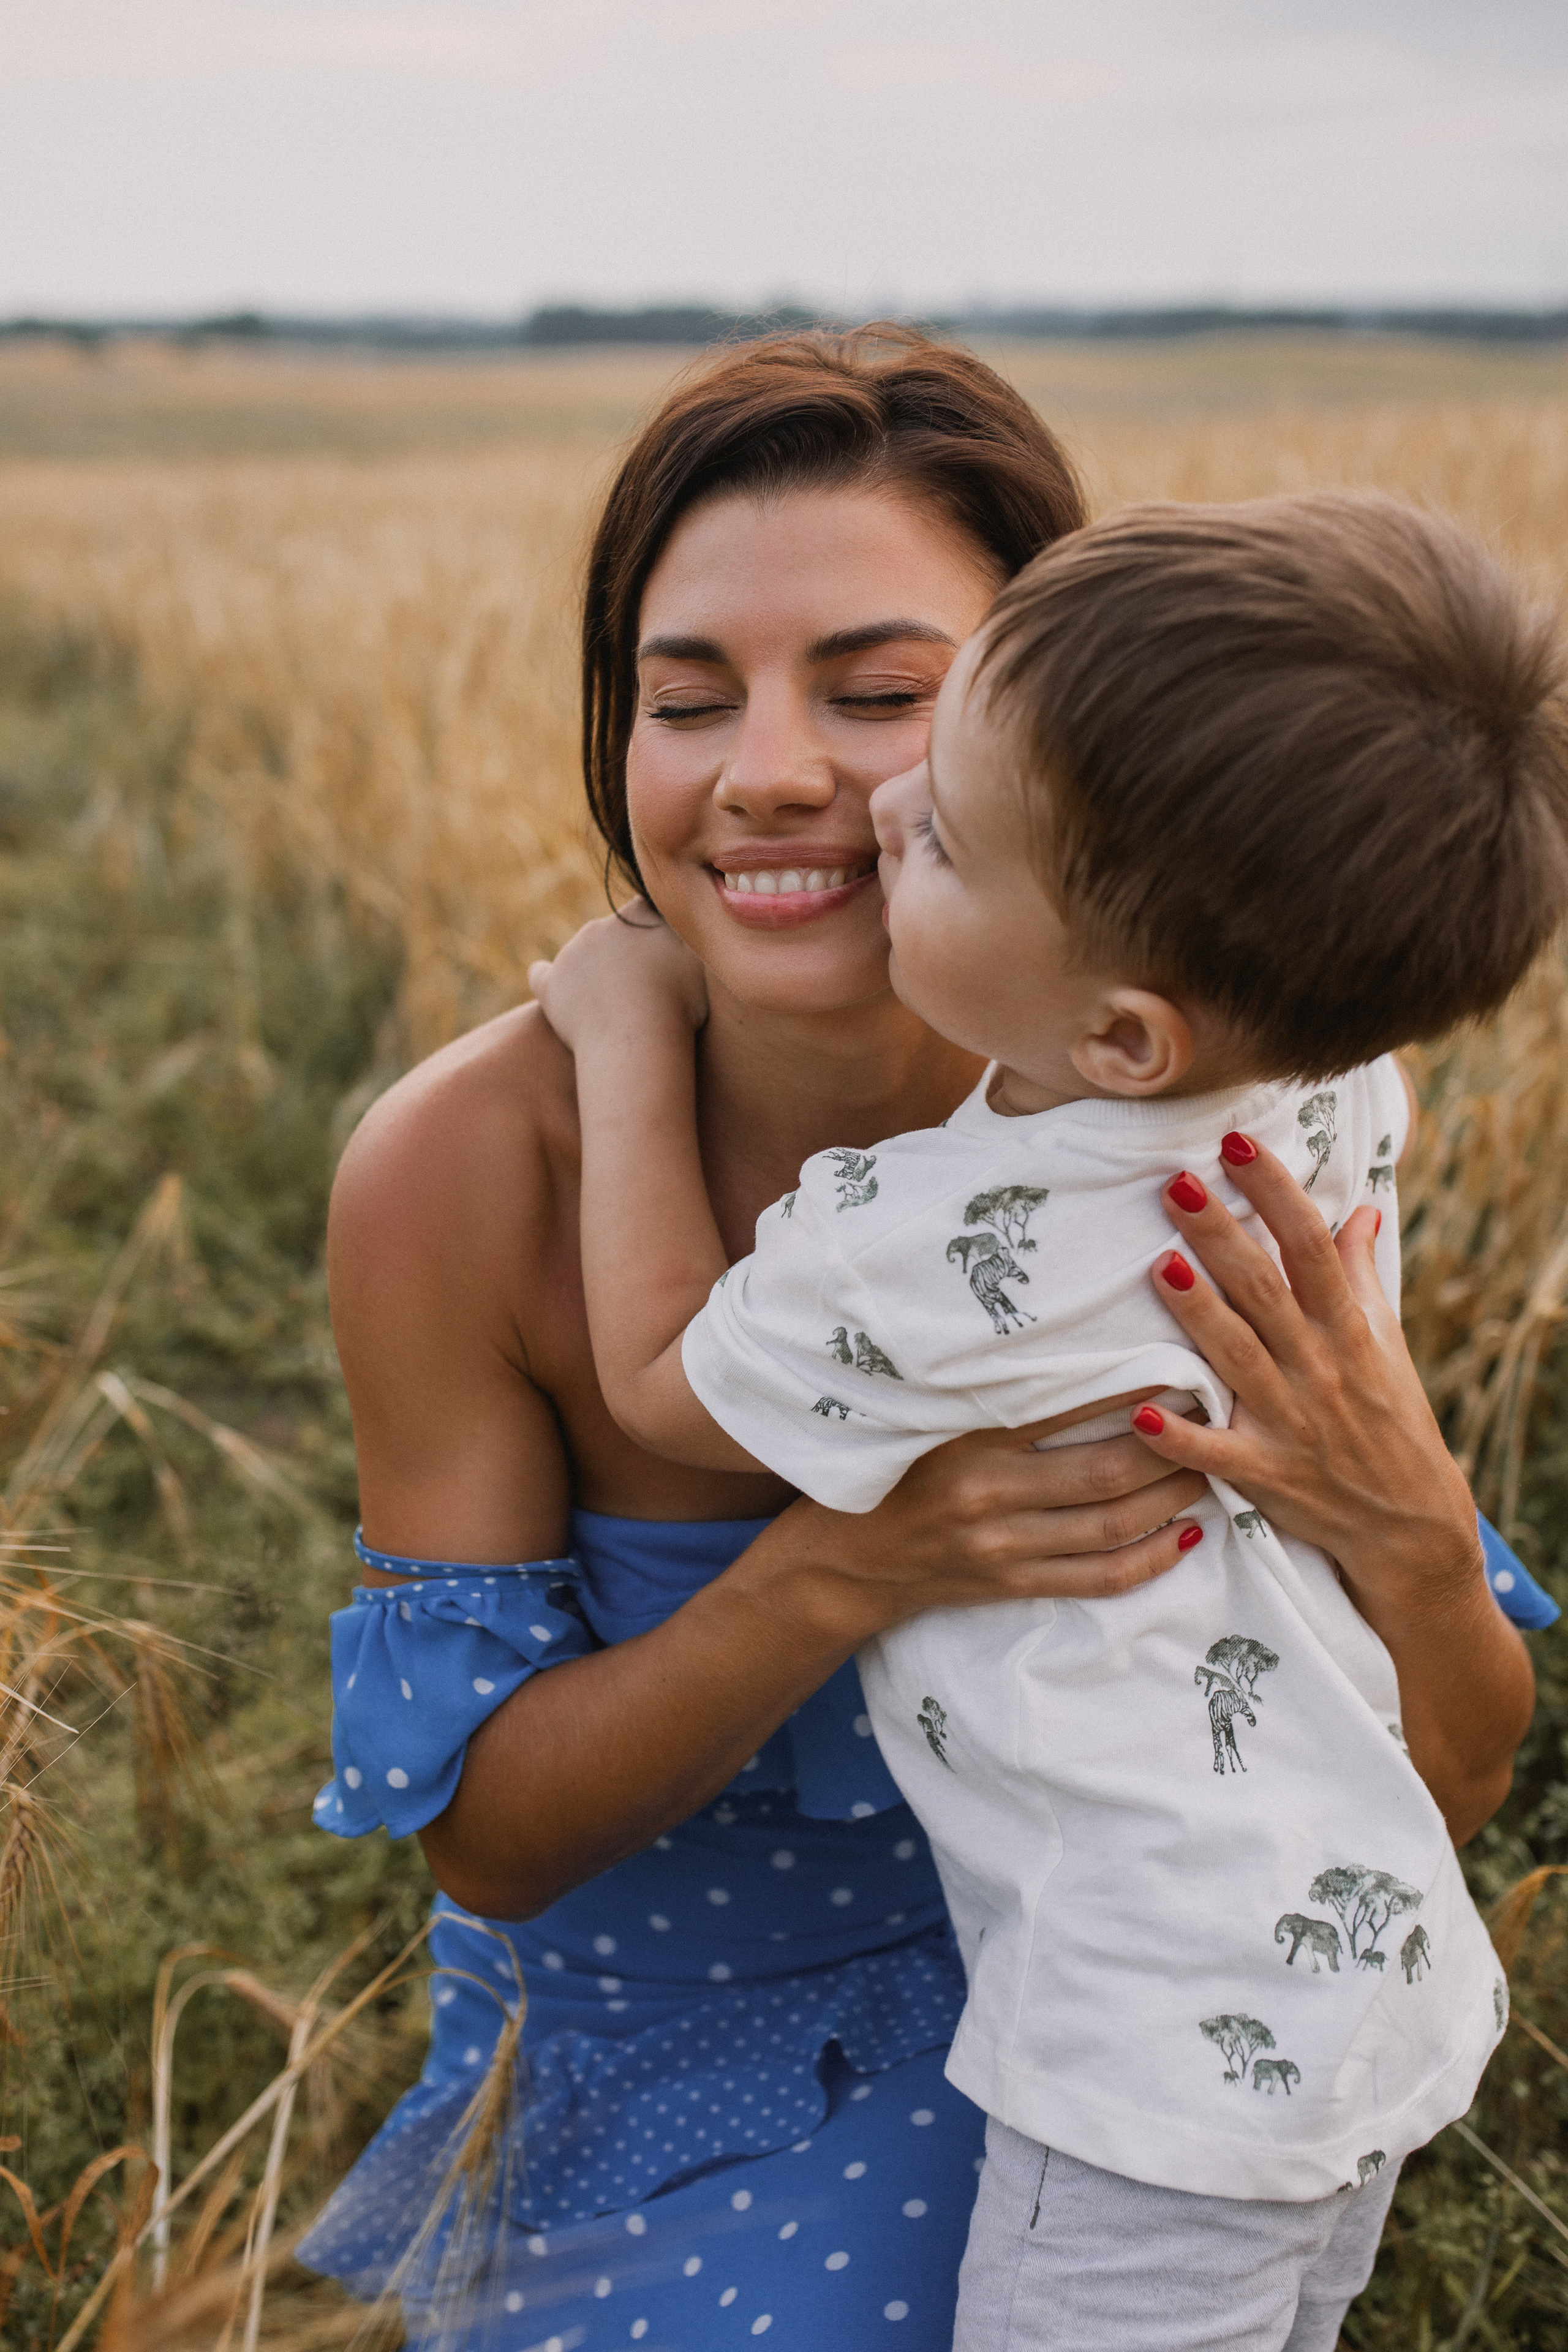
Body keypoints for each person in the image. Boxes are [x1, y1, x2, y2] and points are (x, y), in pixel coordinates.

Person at [297, 330, 1542, 2352]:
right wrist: (848, 1569)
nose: (773, 770)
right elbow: (494, 1846)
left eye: (886, 700)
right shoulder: (461, 1172)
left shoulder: (1217, 1153)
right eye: (684, 698)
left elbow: (1447, 1780)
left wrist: (1401, 1512)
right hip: (675, 2049)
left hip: (1103, 2030)